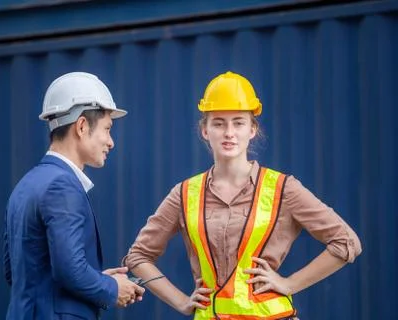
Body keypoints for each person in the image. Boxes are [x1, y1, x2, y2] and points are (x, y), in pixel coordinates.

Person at [123, 71, 362, 319]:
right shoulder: (184, 194)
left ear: (252, 130)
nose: (229, 132)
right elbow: (138, 256)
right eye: (219, 123)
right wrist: (182, 302)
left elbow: (346, 243)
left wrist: (289, 284)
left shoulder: (282, 188)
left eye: (238, 122)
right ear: (205, 130)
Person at [4, 72, 144, 320]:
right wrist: (112, 288)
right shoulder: (62, 186)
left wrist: (98, 279)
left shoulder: (25, 185)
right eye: (107, 129)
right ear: (81, 126)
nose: (111, 142)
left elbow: (16, 271)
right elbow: (69, 270)